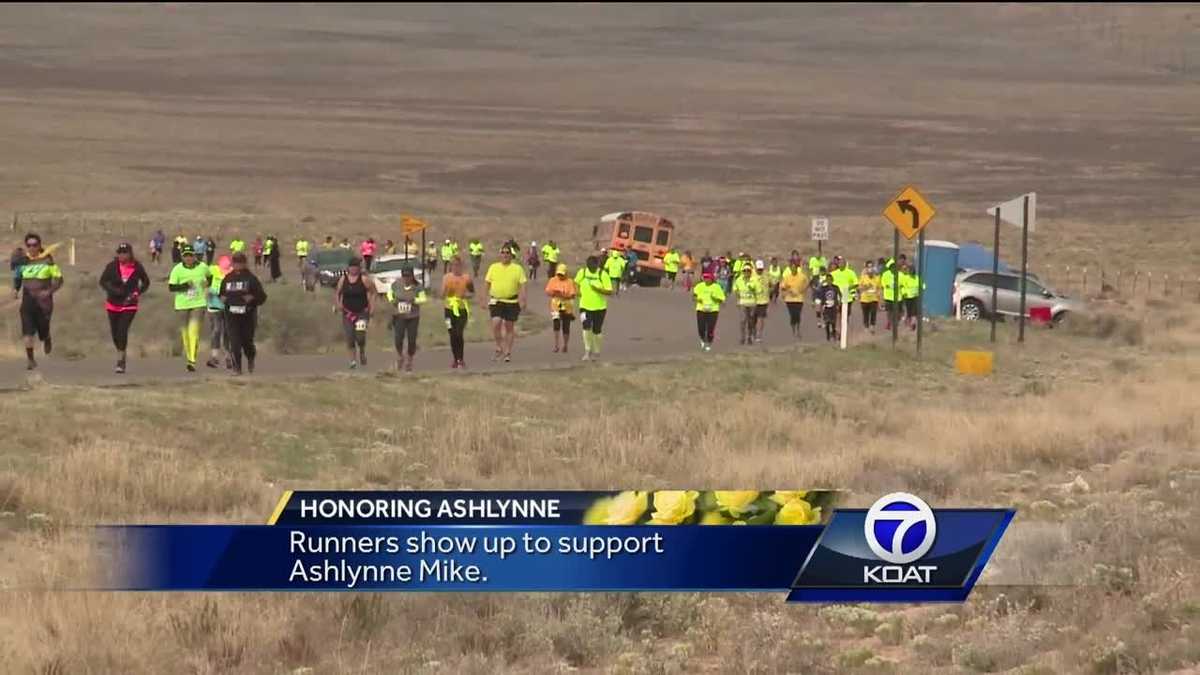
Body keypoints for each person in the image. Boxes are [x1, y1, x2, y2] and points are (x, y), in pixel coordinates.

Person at [99, 245, 150, 373]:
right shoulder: (112, 266)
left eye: (124, 253)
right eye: (120, 253)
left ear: (130, 254)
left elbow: (146, 282)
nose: (122, 256)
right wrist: (113, 290)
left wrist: (136, 293)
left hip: (129, 304)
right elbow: (103, 281)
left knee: (122, 330)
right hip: (113, 303)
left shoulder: (137, 267)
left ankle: (120, 361)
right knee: (115, 334)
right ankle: (121, 351)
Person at [16, 234, 63, 370]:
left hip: (44, 304)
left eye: (34, 245)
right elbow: (18, 277)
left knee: (42, 329)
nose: (32, 247)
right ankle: (31, 360)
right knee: (27, 332)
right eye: (29, 245)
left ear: (39, 245)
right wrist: (15, 289)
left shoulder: (48, 261)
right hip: (27, 302)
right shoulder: (23, 261)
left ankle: (46, 337)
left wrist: (48, 292)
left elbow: (59, 279)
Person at [219, 252, 267, 375]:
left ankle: (250, 357)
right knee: (234, 342)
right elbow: (221, 294)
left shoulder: (251, 279)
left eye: (240, 262)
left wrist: (252, 298)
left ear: (245, 263)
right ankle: (237, 369)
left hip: (247, 315)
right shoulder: (227, 278)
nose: (238, 265)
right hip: (231, 315)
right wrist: (222, 299)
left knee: (247, 342)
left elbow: (262, 297)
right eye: (235, 262)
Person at [166, 244, 210, 372]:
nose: (189, 258)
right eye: (186, 256)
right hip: (182, 305)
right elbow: (171, 287)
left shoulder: (202, 267)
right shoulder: (177, 270)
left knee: (194, 331)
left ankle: (192, 360)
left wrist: (207, 283)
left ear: (194, 255)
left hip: (198, 303)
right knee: (185, 333)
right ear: (182, 257)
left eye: (191, 255)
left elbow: (210, 277)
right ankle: (189, 356)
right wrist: (184, 286)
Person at [483, 245, 527, 363]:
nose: (505, 255)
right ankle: (498, 347)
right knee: (496, 323)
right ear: (500, 254)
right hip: (496, 300)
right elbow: (487, 283)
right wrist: (483, 297)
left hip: (511, 301)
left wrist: (523, 299)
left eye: (507, 253)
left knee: (509, 326)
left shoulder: (517, 269)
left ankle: (507, 351)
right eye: (503, 252)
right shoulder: (493, 267)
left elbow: (522, 285)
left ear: (511, 255)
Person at [335, 257, 374, 369]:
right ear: (348, 268)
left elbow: (373, 292)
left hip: (362, 312)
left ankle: (362, 352)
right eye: (352, 267)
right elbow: (337, 293)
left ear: (359, 268)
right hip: (348, 313)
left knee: (360, 336)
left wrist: (372, 307)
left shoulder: (365, 280)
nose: (354, 269)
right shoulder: (343, 280)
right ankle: (352, 361)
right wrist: (338, 304)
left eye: (356, 267)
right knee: (350, 337)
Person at [387, 267, 427, 372]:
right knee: (398, 338)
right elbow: (389, 293)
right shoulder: (396, 284)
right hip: (399, 316)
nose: (406, 278)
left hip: (413, 316)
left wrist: (414, 300)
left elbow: (423, 299)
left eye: (408, 276)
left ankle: (409, 360)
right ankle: (400, 356)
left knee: (412, 340)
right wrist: (393, 300)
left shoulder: (417, 286)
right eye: (404, 276)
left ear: (412, 276)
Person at [574, 256, 613, 361]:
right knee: (586, 327)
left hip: (600, 307)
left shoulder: (602, 275)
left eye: (593, 267)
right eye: (589, 267)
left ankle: (597, 349)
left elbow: (609, 291)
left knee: (597, 331)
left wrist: (597, 289)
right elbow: (576, 282)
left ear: (597, 265)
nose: (591, 269)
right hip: (584, 307)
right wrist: (577, 291)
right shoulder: (582, 272)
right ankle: (587, 351)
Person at [441, 256, 473, 369]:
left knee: (459, 333)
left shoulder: (466, 278)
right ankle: (455, 359)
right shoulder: (446, 278)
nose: (456, 267)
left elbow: (472, 292)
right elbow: (442, 295)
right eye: (453, 265)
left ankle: (461, 359)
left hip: (462, 309)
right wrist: (446, 292)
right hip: (449, 310)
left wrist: (466, 295)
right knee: (452, 334)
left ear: (461, 266)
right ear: (451, 266)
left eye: (458, 265)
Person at [204, 255, 232, 370]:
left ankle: (228, 357)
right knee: (216, 330)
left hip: (228, 304)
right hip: (214, 303)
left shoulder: (232, 272)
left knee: (227, 331)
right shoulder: (212, 269)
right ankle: (214, 357)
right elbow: (204, 279)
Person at [545, 262, 577, 355]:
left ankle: (565, 345)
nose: (560, 276)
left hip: (567, 306)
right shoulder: (553, 280)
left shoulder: (570, 281)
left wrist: (564, 295)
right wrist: (554, 293)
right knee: (556, 324)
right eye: (559, 274)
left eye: (562, 274)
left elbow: (572, 294)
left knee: (566, 327)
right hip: (556, 306)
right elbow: (548, 291)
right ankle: (556, 345)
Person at [692, 270, 725, 352]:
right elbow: (693, 296)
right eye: (705, 278)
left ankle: (709, 342)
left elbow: (722, 300)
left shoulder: (716, 287)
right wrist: (697, 299)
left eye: (708, 278)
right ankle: (703, 339)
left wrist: (716, 298)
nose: (706, 279)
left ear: (712, 279)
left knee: (710, 328)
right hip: (701, 309)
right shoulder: (699, 286)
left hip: (713, 310)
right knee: (701, 328)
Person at [732, 263, 762, 345]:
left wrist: (753, 290)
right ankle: (742, 337)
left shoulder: (754, 280)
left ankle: (749, 336)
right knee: (743, 320)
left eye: (748, 271)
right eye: (744, 271)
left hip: (752, 303)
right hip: (743, 303)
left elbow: (759, 291)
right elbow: (735, 289)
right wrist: (738, 299)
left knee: (751, 321)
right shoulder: (739, 280)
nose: (746, 272)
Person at [780, 255, 808, 339]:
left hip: (799, 299)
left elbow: (807, 282)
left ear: (797, 268)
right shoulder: (787, 277)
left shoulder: (801, 276)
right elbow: (782, 286)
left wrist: (803, 290)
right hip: (789, 299)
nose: (793, 269)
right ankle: (793, 331)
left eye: (794, 268)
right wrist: (788, 290)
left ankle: (798, 330)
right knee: (792, 315)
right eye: (792, 268)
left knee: (798, 315)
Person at [858, 260, 881, 334]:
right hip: (864, 299)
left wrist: (879, 298)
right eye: (868, 267)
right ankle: (866, 327)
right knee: (865, 314)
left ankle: (872, 326)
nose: (870, 269)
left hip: (874, 298)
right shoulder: (863, 277)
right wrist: (865, 287)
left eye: (872, 267)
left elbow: (879, 288)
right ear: (866, 268)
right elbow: (859, 288)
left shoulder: (877, 278)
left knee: (873, 313)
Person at [818, 273, 842, 343]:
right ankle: (828, 336)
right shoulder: (823, 288)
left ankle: (834, 334)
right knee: (827, 322)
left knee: (833, 322)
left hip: (834, 307)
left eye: (830, 280)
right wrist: (821, 306)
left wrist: (838, 304)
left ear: (832, 280)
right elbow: (820, 295)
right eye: (827, 280)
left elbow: (840, 296)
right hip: (826, 307)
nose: (829, 281)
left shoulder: (836, 288)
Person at [900, 262, 921, 330]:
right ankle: (908, 324)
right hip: (907, 297)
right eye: (910, 270)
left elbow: (922, 286)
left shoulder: (917, 278)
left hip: (915, 297)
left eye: (913, 270)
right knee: (908, 312)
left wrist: (921, 288)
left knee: (914, 312)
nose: (911, 272)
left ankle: (913, 324)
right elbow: (902, 287)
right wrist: (904, 293)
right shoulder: (905, 278)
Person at [753, 259, 771, 342]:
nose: (760, 270)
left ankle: (759, 335)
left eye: (761, 269)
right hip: (753, 301)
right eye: (758, 269)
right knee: (753, 319)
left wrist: (770, 291)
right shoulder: (751, 275)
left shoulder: (766, 274)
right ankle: (753, 332)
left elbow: (772, 284)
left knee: (761, 318)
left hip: (764, 300)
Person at [881, 259, 898, 331]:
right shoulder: (885, 274)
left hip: (896, 296)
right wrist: (887, 285)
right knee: (889, 311)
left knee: (896, 311)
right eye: (892, 267)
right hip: (888, 296)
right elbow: (882, 283)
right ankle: (889, 322)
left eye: (894, 267)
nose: (893, 268)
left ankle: (894, 322)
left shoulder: (898, 274)